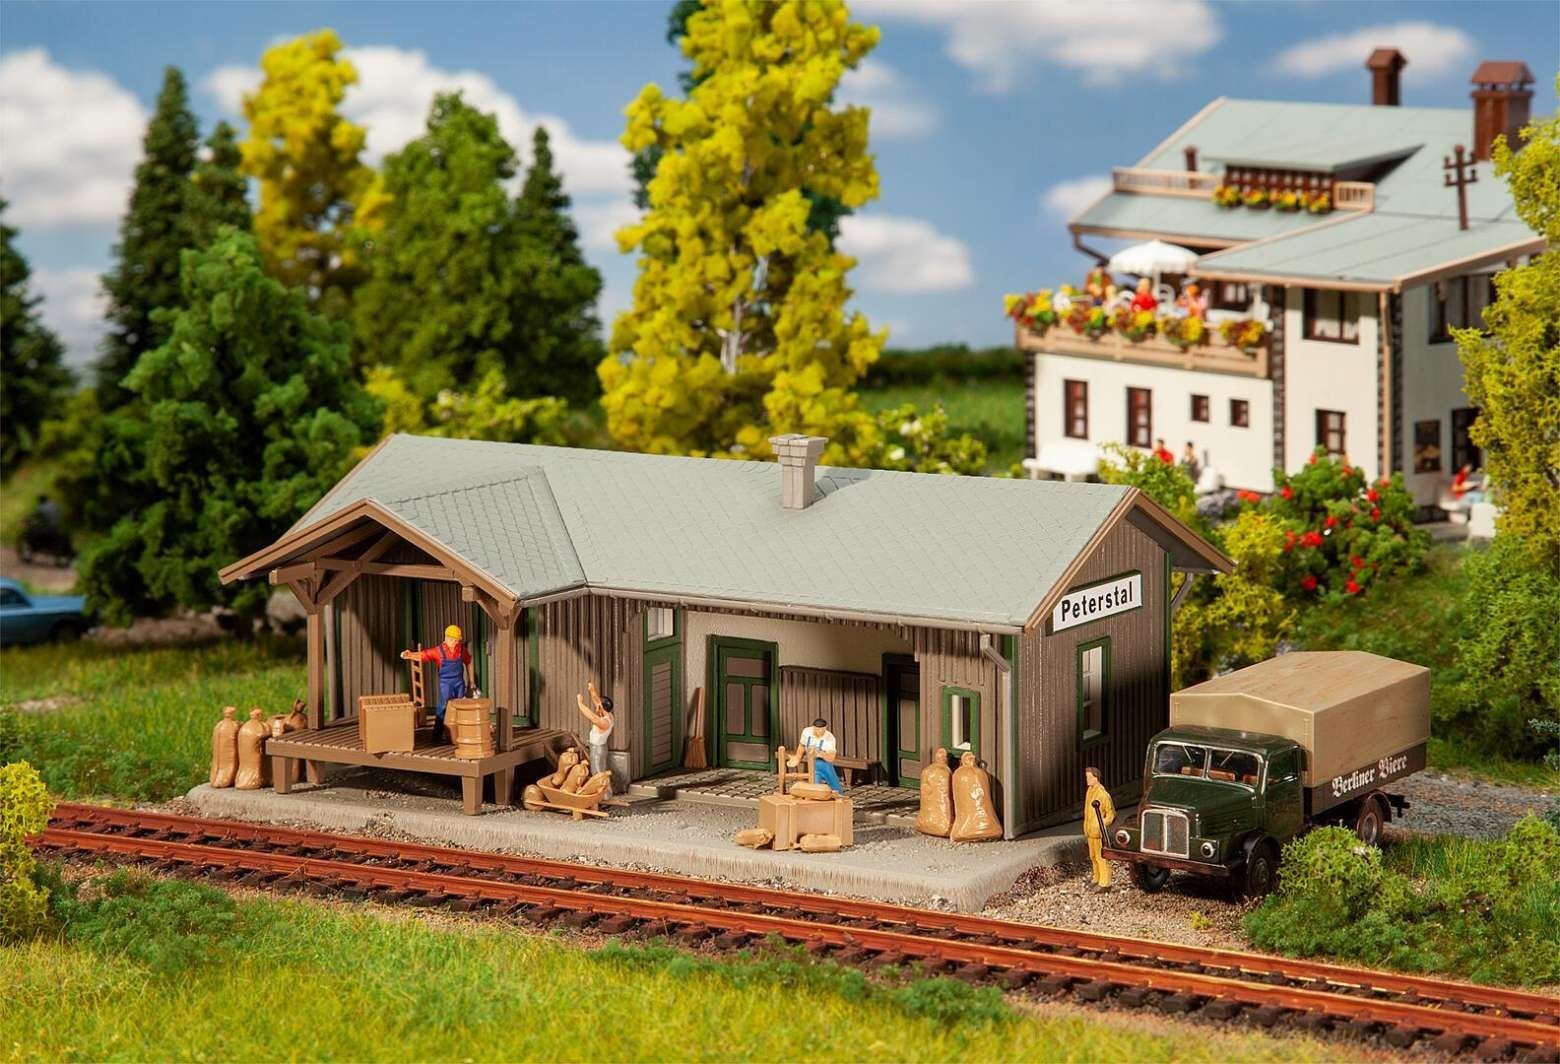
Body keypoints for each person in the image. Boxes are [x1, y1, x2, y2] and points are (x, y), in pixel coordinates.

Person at [400, 625, 473, 735]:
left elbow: (469, 662)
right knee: (443, 705)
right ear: (446, 638)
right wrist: (409, 655)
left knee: (461, 705)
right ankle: (437, 734)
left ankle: (461, 732)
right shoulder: (438, 651)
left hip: (459, 683)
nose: (455, 642)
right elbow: (423, 655)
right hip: (446, 683)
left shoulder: (462, 650)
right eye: (453, 640)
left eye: (457, 640)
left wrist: (471, 681)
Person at [788, 717, 844, 794]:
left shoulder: (829, 738)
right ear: (813, 727)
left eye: (822, 730)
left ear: (825, 728)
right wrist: (797, 758)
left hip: (824, 764)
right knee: (815, 787)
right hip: (812, 764)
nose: (819, 732)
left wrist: (820, 753)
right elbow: (802, 746)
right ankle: (817, 799)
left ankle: (840, 797)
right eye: (817, 729)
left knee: (835, 786)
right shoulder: (807, 732)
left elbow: (831, 757)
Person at [576, 681, 615, 788]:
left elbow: (592, 717)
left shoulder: (604, 722)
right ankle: (605, 793)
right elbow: (597, 701)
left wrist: (580, 704)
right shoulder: (608, 714)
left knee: (598, 774)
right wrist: (591, 689)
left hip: (597, 749)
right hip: (599, 747)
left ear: (601, 707)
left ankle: (604, 795)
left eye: (598, 706)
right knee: (600, 772)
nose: (596, 706)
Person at [1083, 766, 1116, 890]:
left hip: (1098, 832)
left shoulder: (1103, 794)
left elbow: (1111, 814)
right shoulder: (1089, 791)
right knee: (1093, 856)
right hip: (1090, 831)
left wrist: (1100, 824)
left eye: (1089, 777)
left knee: (1101, 857)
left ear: (1096, 778)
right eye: (1087, 777)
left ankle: (1105, 882)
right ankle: (1096, 878)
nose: (1087, 780)